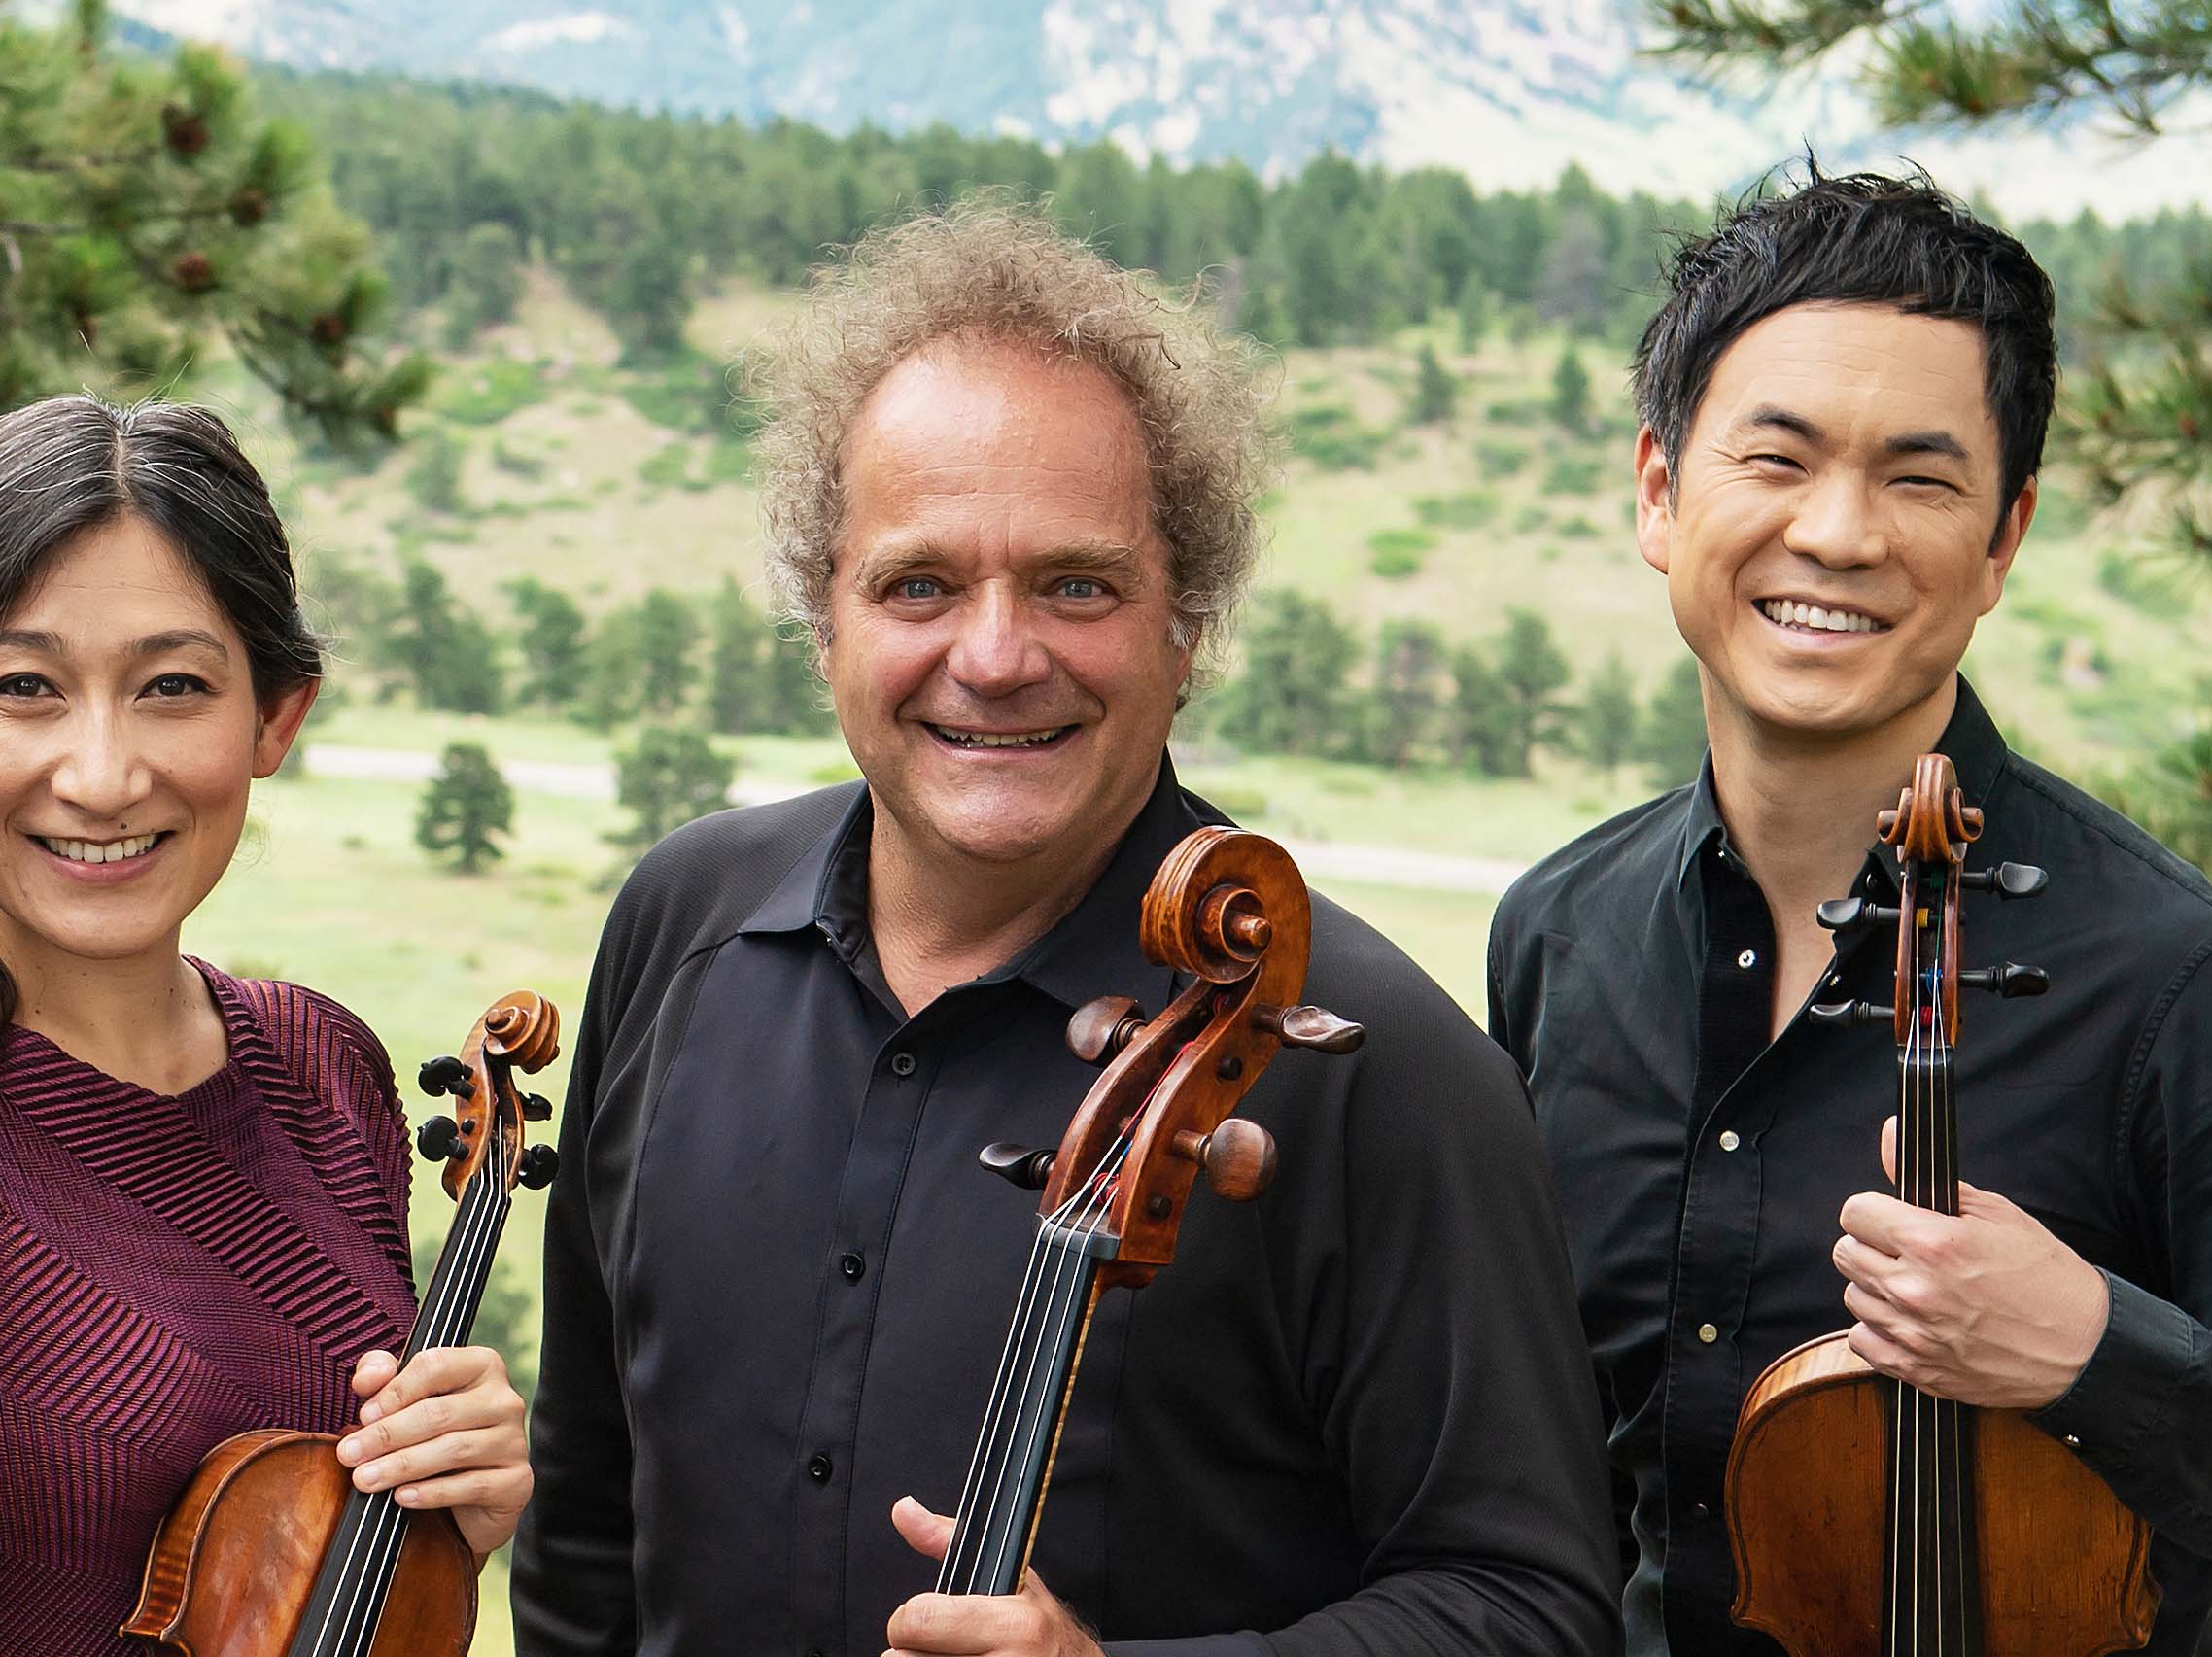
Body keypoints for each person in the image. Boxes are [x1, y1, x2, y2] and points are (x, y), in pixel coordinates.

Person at [512, 201, 1621, 1657]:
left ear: (1186, 623)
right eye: (917, 584)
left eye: (1075, 586)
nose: (993, 657)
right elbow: (589, 1519)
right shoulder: (680, 926)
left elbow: (1529, 1611)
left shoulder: (1373, 1063)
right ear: (823, 618)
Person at [1484, 169, 2212, 1657]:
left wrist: (2101, 1354)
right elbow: (1542, 1484)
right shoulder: (1560, 937)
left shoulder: (2177, 985)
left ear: (2003, 539)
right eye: (1774, 459)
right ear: (1660, 490)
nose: (1836, 535)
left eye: (1919, 477)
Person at [0, 395, 533, 1656]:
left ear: (273, 718)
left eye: (173, 686)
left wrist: (457, 1501)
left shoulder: (327, 1071)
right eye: (27, 688)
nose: (105, 773)